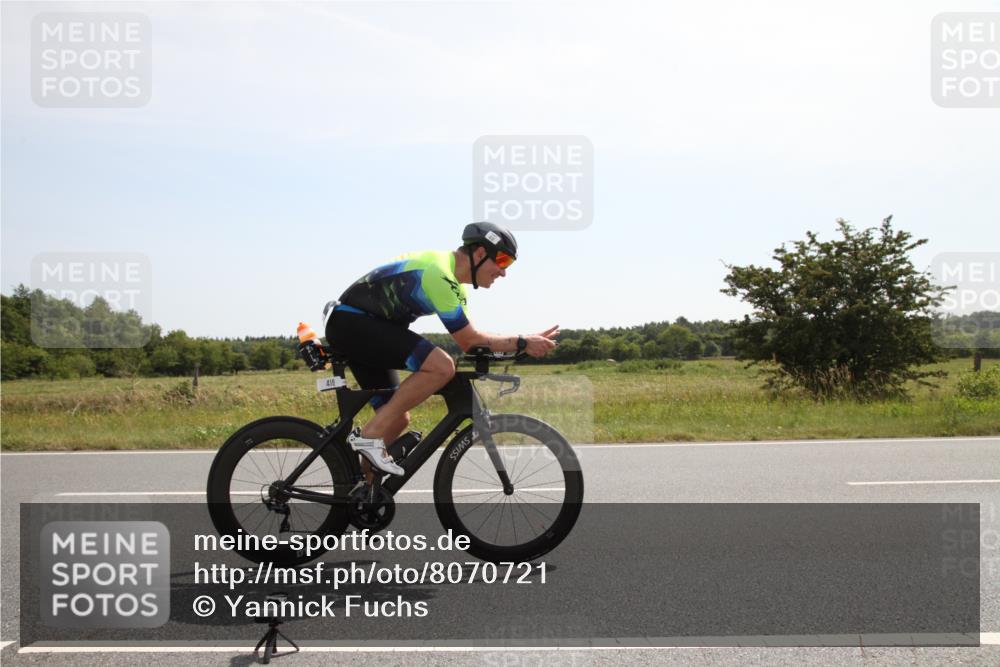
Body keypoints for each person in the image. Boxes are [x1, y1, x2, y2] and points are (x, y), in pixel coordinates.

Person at [325, 222, 559, 477]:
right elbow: (469, 341)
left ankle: (362, 493)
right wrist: (523, 341)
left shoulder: (453, 286)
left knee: (397, 418)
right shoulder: (439, 274)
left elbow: (477, 339)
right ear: (479, 253)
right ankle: (369, 436)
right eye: (502, 260)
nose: (503, 272)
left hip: (362, 327)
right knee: (441, 367)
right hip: (353, 324)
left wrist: (521, 343)